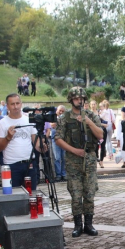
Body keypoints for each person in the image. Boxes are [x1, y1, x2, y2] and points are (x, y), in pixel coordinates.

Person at [55, 87, 103, 238]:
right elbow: (58, 139)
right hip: (73, 159)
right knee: (76, 195)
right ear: (71, 100)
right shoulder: (65, 118)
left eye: (81, 99)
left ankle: (88, 224)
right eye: (76, 99)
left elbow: (100, 134)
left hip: (89, 158)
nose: (79, 101)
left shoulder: (91, 115)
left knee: (89, 193)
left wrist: (88, 121)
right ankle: (77, 225)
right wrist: (74, 151)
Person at [0, 94, 42, 191]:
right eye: (12, 104)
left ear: (21, 104)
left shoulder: (29, 119)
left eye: (17, 103)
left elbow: (36, 142)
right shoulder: (2, 123)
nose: (15, 106)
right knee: (14, 195)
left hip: (29, 163)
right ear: (7, 106)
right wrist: (8, 137)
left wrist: (42, 146)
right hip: (11, 165)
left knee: (31, 194)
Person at [50, 105, 67, 181]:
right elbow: (52, 125)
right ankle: (58, 174)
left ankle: (64, 174)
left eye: (63, 111)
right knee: (57, 158)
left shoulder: (66, 119)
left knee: (64, 157)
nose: (61, 112)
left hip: (64, 140)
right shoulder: (53, 117)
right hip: (55, 139)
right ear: (56, 110)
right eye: (60, 111)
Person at [91, 101, 107, 168]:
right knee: (95, 146)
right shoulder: (89, 113)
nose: (93, 105)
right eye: (92, 104)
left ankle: (101, 161)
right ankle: (95, 159)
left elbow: (106, 123)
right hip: (94, 131)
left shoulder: (100, 112)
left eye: (94, 104)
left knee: (103, 146)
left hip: (102, 130)